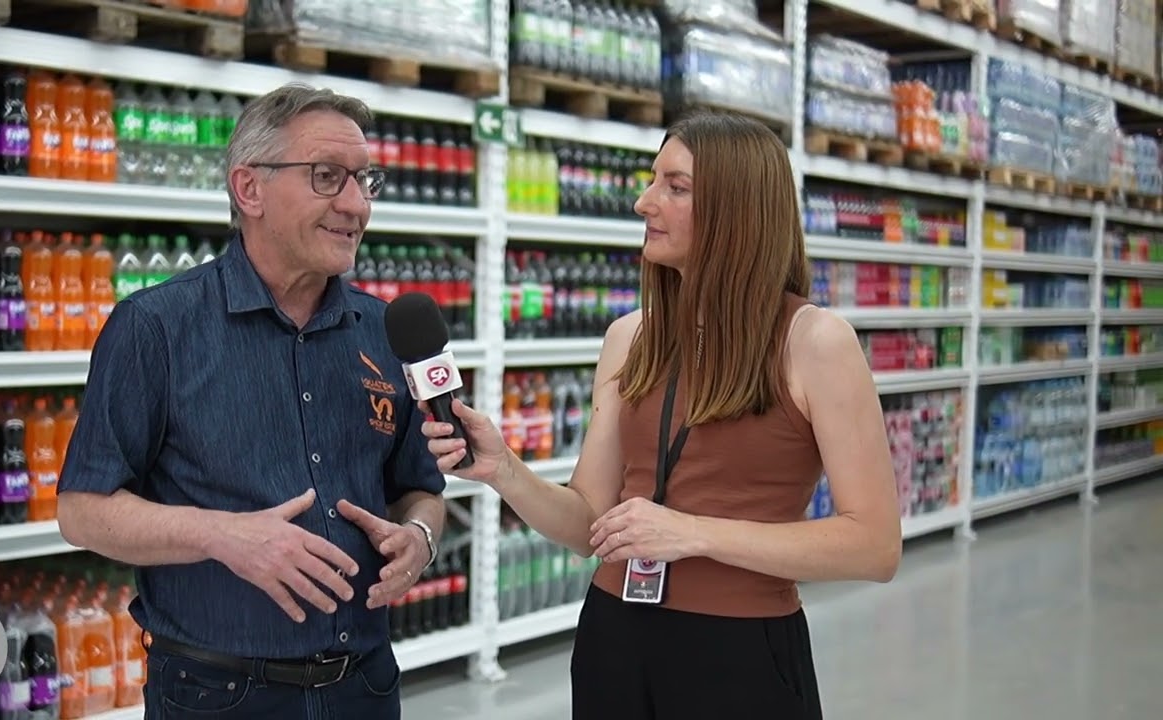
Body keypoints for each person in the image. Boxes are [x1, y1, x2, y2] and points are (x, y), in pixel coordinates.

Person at [422, 111, 902, 719]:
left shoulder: (815, 342)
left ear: (738, 210)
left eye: (675, 187)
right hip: (613, 640)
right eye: (653, 181)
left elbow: (874, 545)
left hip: (739, 653)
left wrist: (693, 532)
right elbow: (588, 525)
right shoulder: (630, 337)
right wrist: (502, 470)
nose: (644, 202)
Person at [56, 82, 447, 720]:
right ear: (250, 189)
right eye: (327, 177)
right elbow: (82, 511)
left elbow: (421, 489)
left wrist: (419, 537)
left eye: (364, 180)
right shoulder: (157, 327)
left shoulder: (383, 332)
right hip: (219, 694)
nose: (356, 205)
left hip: (366, 685)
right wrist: (224, 536)